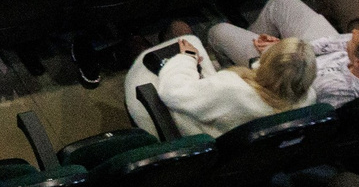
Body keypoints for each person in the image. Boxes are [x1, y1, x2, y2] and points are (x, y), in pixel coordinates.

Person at [205, 0, 359, 107]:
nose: (352, 33)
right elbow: (336, 42)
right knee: (281, 0)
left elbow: (288, 80)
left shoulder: (330, 88)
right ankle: (247, 42)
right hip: (307, 55)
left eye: (354, 39)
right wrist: (286, 45)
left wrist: (276, 52)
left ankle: (228, 67)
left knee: (219, 32)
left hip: (288, 71)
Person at [126, 31, 317, 138]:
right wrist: (274, 57)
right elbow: (281, 79)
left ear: (269, 64)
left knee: (185, 43)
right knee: (191, 40)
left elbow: (172, 93)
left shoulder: (233, 88)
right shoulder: (307, 99)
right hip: (231, 138)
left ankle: (136, 49)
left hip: (189, 132)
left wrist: (187, 58)